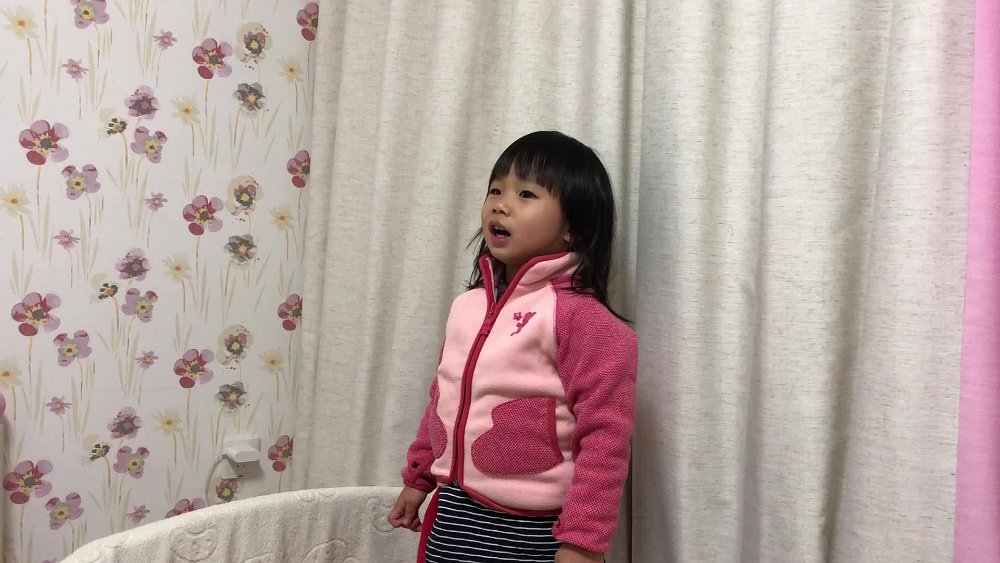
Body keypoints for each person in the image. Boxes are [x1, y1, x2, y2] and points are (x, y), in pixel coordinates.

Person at [388, 131, 637, 563]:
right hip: (454, 512)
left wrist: (582, 541)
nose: (501, 205)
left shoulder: (584, 319)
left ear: (575, 228)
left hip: (533, 526)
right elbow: (444, 396)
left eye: (526, 194)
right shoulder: (466, 306)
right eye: (496, 190)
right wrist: (419, 477)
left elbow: (605, 439)